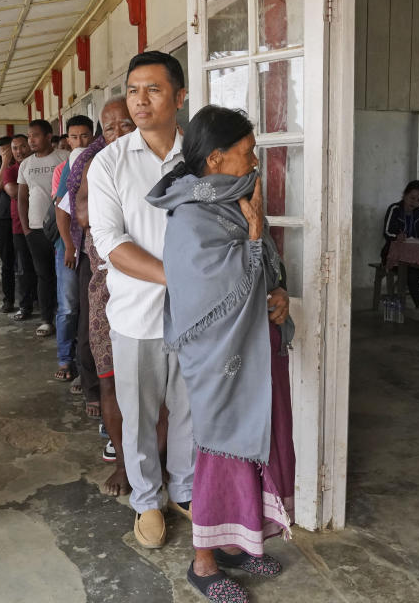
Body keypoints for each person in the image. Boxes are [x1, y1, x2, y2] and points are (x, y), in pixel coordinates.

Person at [147, 105, 296, 603]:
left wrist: (279, 296)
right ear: (215, 158)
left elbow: (265, 271)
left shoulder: (237, 198)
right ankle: (203, 563)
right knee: (220, 450)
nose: (254, 160)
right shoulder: (191, 215)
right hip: (221, 357)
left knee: (260, 441)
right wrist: (254, 241)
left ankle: (237, 542)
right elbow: (214, 290)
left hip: (258, 347)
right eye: (247, 152)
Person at [88, 51, 195, 550]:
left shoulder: (201, 154)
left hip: (197, 316)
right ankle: (147, 501)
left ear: (179, 96)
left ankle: (188, 491)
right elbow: (111, 244)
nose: (140, 100)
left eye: (153, 89)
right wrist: (183, 277)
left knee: (192, 410)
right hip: (136, 314)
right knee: (137, 415)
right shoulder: (109, 162)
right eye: (134, 90)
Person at [70, 98, 136, 493]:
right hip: (107, 287)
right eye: (109, 129)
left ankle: (158, 463)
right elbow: (83, 214)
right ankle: (126, 464)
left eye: (125, 126)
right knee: (111, 379)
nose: (117, 135)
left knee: (158, 386)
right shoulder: (98, 164)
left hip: (153, 289)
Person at [50, 114, 94, 383]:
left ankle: (85, 361)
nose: (80, 141)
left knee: (89, 308)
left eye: (85, 136)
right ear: (67, 140)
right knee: (68, 306)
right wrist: (69, 247)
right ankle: (66, 358)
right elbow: (61, 209)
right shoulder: (63, 168)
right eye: (74, 136)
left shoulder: (98, 160)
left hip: (90, 247)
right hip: (67, 245)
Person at [18, 120, 70, 337]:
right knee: (44, 275)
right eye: (29, 136)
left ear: (49, 136)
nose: (31, 140)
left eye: (36, 135)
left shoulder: (64, 157)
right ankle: (46, 319)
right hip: (36, 228)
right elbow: (22, 198)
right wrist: (26, 229)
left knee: (65, 275)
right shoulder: (26, 164)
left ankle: (67, 318)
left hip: (63, 227)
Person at [381, 180, 419, 310]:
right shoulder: (394, 209)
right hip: (395, 256)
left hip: (418, 256)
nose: (414, 202)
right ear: (404, 195)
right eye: (412, 198)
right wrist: (396, 237)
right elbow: (387, 232)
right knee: (412, 273)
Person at [5, 134, 38, 320]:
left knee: (43, 267)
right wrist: (37, 188)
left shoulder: (37, 164)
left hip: (43, 224)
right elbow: (13, 191)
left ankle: (43, 302)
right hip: (20, 225)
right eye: (15, 148)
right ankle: (25, 306)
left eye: (22, 146)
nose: (19, 151)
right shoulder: (10, 171)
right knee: (24, 267)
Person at [0, 137, 19, 312]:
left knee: (25, 260)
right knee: (7, 261)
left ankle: (31, 297)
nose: (8, 153)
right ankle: (8, 298)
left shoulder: (23, 164)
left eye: (10, 149)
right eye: (3, 151)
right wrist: (4, 163)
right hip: (4, 218)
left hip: (23, 216)